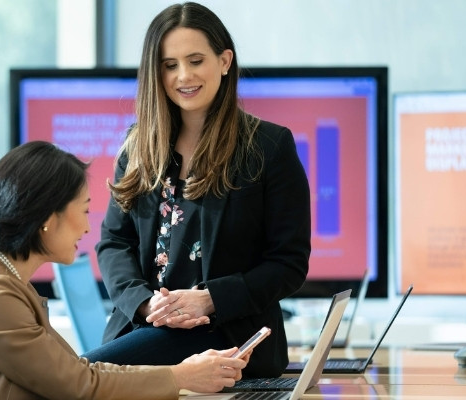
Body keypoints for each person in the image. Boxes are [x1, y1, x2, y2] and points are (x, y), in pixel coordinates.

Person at [83, 2, 311, 378]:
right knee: (77, 375)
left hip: (230, 334)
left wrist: (209, 300)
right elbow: (113, 243)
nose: (183, 75)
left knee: (83, 375)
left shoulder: (269, 147)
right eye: (170, 65)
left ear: (224, 61)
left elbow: (288, 263)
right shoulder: (138, 147)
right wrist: (143, 304)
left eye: (195, 60)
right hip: (145, 326)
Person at [0, 140, 249, 400]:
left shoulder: (2, 281)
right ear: (46, 218)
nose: (86, 227)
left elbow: (78, 373)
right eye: (83, 210)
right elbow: (79, 385)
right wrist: (181, 376)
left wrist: (182, 374)